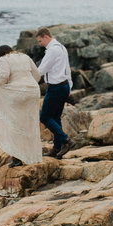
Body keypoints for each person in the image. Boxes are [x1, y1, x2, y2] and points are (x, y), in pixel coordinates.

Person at [0, 45, 43, 167]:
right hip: (34, 91)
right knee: (30, 124)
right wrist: (28, 85)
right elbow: (37, 74)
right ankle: (33, 155)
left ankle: (17, 158)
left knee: (14, 123)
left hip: (18, 93)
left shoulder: (3, 59)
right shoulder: (24, 56)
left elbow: (4, 76)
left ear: (0, 54)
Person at [35, 27, 72, 159]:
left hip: (55, 87)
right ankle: (57, 148)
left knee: (44, 117)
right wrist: (69, 87)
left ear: (46, 36)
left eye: (40, 41)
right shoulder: (61, 47)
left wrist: (26, 78)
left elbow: (41, 70)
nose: (40, 44)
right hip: (64, 86)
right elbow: (68, 69)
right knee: (55, 118)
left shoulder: (52, 50)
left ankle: (66, 140)